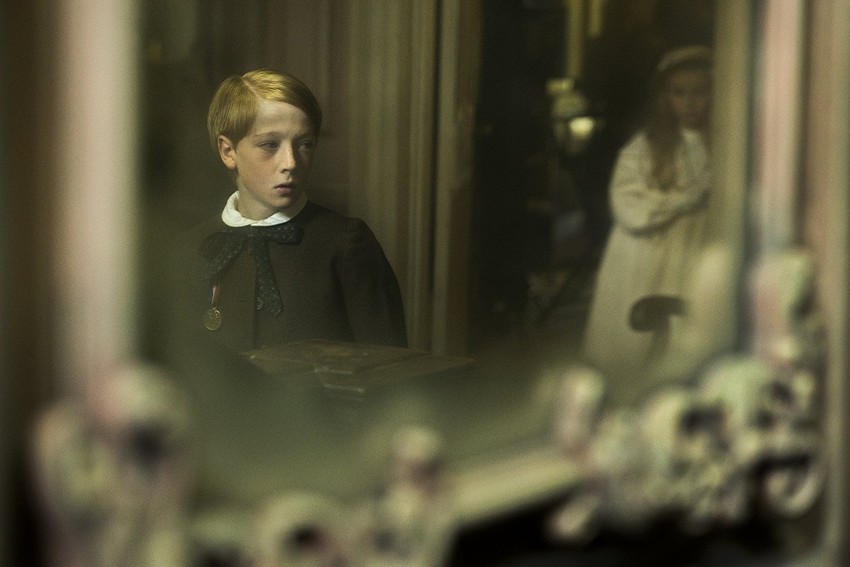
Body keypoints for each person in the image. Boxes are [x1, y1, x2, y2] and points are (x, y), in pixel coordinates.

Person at [166, 68, 408, 355]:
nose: (291, 163)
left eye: (304, 145)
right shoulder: (191, 250)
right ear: (228, 151)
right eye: (270, 145)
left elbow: (389, 366)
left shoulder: (345, 244)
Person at [581, 46, 713, 376]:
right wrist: (683, 201)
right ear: (665, 97)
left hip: (696, 247)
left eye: (699, 92)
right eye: (679, 93)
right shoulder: (644, 148)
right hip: (649, 253)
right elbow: (628, 206)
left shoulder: (722, 147)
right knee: (640, 340)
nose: (690, 103)